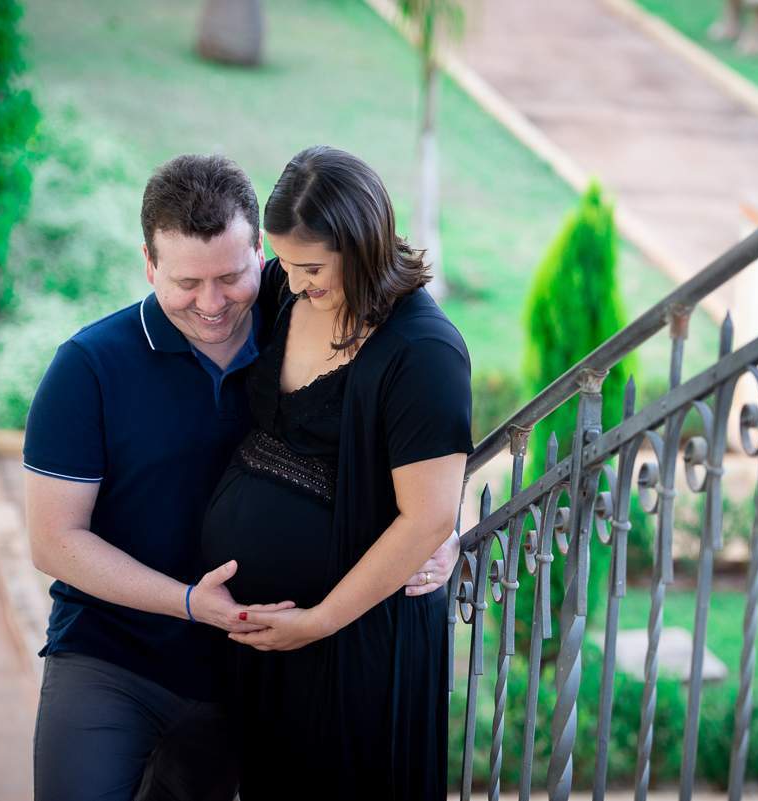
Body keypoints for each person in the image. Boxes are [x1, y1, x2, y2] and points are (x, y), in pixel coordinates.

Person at [23, 153, 458, 801]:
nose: (211, 303)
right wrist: (190, 602)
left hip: (255, 663)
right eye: (186, 282)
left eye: (231, 275)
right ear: (148, 264)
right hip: (116, 652)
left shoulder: (291, 307)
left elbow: (413, 441)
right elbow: (52, 540)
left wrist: (441, 530)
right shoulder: (91, 367)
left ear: (258, 253)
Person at [199, 145, 473, 800]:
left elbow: (429, 514)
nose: (294, 283)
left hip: (355, 645)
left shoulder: (424, 351)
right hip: (266, 641)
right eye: (285, 263)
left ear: (363, 246)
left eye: (312, 267)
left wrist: (319, 620)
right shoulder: (286, 292)